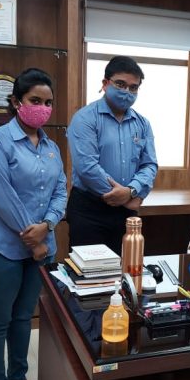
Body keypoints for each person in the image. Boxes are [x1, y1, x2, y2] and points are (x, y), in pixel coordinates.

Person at [0, 68, 67, 380]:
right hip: (0, 249)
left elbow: (60, 191)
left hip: (41, 246)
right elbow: (3, 197)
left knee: (23, 317)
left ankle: (18, 379)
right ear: (16, 102)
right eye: (34, 101)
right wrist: (34, 240)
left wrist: (48, 225)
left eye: (48, 102)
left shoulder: (51, 147)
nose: (42, 108)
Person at [66, 56, 158, 255]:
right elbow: (87, 167)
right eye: (120, 84)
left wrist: (131, 190)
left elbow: (149, 165)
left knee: (126, 268)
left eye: (133, 87)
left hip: (126, 214)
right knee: (90, 272)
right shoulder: (84, 118)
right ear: (105, 83)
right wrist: (124, 198)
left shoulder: (143, 123)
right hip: (89, 211)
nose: (127, 91)